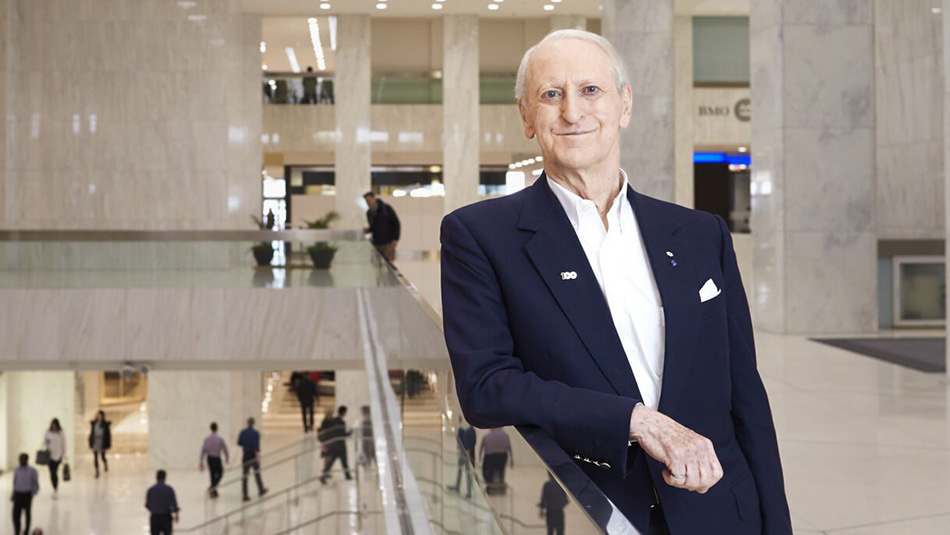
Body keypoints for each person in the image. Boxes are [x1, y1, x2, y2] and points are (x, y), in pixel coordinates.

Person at [440, 29, 791, 535]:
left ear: (624, 105)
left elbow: (747, 399)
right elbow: (486, 387)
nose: (572, 112)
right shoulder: (479, 236)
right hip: (593, 511)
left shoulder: (699, 234)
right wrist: (635, 419)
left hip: (721, 511)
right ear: (526, 117)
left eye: (590, 90)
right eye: (551, 94)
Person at [318, 405, 352, 484]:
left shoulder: (333, 420)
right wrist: (350, 433)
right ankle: (347, 475)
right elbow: (342, 434)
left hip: (333, 444)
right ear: (343, 412)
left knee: (331, 461)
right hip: (340, 445)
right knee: (343, 461)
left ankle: (324, 474)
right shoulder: (341, 422)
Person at [362, 191, 400, 262]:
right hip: (377, 243)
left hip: (388, 243)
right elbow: (374, 227)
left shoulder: (386, 209)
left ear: (374, 199)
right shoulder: (369, 213)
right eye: (366, 201)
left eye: (369, 200)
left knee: (388, 264)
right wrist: (368, 230)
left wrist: (395, 238)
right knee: (377, 264)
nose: (368, 203)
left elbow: (396, 223)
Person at [236, 418, 268, 502]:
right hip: (253, 455)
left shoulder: (242, 432)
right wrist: (258, 456)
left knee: (245, 476)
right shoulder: (256, 433)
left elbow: (239, 443)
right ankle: (261, 489)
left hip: (245, 455)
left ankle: (245, 495)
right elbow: (257, 447)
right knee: (257, 473)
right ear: (253, 423)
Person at [447, 416, 476, 498]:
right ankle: (457, 486)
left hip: (467, 455)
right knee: (460, 470)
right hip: (462, 454)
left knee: (467, 473)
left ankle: (469, 491)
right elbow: (459, 442)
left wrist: (468, 450)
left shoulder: (470, 430)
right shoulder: (461, 430)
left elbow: (472, 442)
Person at [199, 422, 230, 498]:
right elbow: (224, 449)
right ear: (217, 428)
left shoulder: (207, 439)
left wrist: (201, 460)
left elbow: (203, 450)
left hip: (209, 459)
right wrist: (227, 458)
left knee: (212, 474)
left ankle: (213, 489)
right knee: (220, 473)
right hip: (216, 458)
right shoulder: (219, 439)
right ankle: (213, 488)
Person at [11, 453, 38, 535]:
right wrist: (13, 494)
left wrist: (32, 493)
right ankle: (17, 530)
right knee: (15, 515)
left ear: (27, 460)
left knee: (27, 514)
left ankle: (26, 531)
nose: (21, 461)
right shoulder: (17, 470)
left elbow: (35, 483)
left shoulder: (32, 471)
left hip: (27, 495)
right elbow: (15, 483)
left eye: (23, 459)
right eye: (20, 459)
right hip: (18, 495)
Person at [145, 470, 179, 535]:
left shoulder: (151, 490)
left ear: (156, 477)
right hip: (166, 518)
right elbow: (174, 504)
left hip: (155, 517)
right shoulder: (169, 489)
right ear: (165, 478)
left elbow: (147, 505)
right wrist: (176, 515)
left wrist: (155, 510)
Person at [43, 418, 66, 497]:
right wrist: (47, 442)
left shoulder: (61, 433)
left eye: (55, 425)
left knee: (54, 472)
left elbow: (63, 444)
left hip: (58, 455)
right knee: (51, 473)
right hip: (49, 456)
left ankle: (55, 488)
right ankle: (54, 488)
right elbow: (44, 442)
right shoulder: (48, 432)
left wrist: (64, 455)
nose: (54, 426)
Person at [87, 410, 111, 478]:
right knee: (95, 457)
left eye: (100, 415)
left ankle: (105, 463)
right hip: (95, 442)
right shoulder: (94, 423)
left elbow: (108, 436)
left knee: (102, 456)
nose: (98, 417)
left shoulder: (105, 425)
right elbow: (91, 433)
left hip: (102, 442)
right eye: (97, 415)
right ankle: (97, 471)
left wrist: (108, 444)